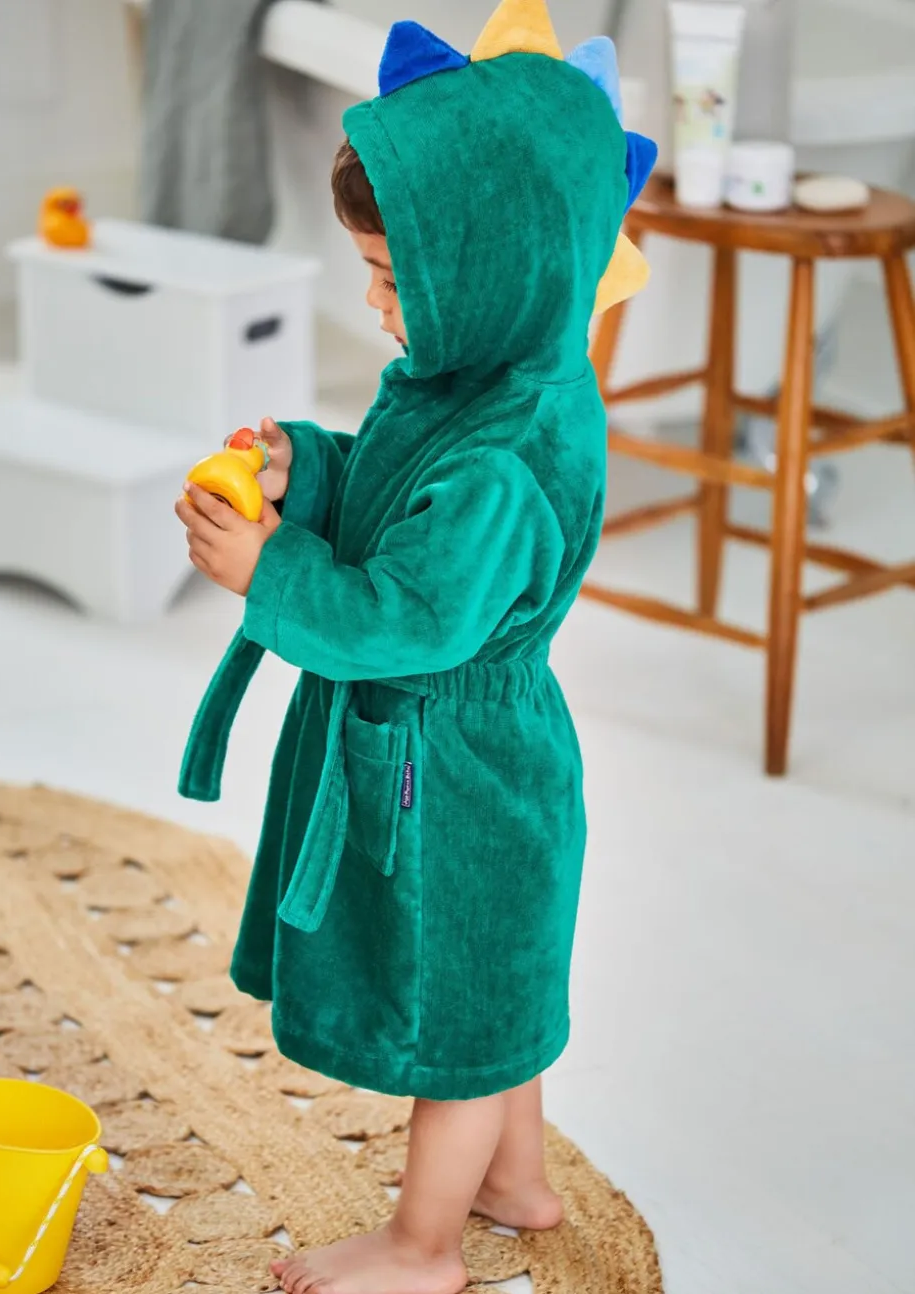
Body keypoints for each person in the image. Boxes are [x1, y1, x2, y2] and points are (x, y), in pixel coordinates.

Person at [174, 3, 654, 1291]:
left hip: (456, 773)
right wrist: (311, 469)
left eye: (395, 280)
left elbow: (413, 615)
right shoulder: (482, 373)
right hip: (461, 755)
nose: (378, 306)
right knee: (494, 987)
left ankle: (421, 1246)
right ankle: (516, 1181)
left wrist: (267, 572)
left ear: (495, 269)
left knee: (452, 1015)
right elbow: (403, 506)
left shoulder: (509, 453)